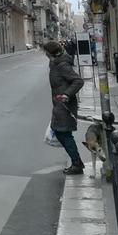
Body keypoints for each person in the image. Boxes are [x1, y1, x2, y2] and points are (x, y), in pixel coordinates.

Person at [44, 39, 84, 174]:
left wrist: (67, 94)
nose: (44, 54)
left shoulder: (62, 65)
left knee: (64, 134)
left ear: (50, 53)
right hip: (59, 104)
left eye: (46, 52)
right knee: (61, 133)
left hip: (64, 105)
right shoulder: (55, 63)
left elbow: (78, 81)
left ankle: (77, 164)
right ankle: (76, 162)